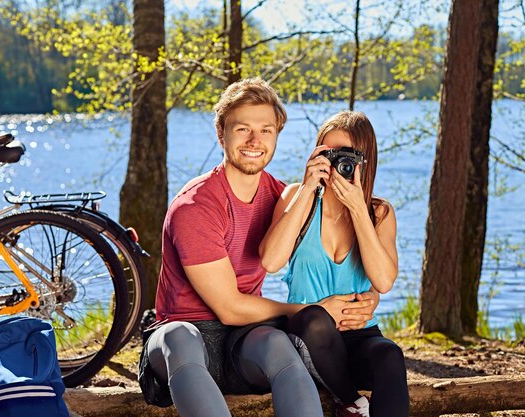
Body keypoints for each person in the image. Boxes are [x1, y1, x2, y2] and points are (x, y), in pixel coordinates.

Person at [138, 78, 380, 417]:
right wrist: (310, 310)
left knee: (278, 345)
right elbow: (228, 308)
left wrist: (365, 299)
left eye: (266, 130)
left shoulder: (284, 199)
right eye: (243, 129)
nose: (255, 141)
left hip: (244, 341)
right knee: (180, 338)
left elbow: (335, 250)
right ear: (222, 134)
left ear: (277, 135)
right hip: (184, 340)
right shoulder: (195, 207)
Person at [259, 111, 410, 417]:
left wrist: (357, 207)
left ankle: (353, 402)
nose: (335, 164)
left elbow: (382, 281)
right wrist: (306, 188)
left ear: (364, 161)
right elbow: (271, 261)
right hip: (308, 337)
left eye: (346, 155)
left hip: (359, 336)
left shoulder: (378, 213)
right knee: (315, 320)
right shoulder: (296, 197)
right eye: (327, 153)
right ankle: (351, 403)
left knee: (390, 354)